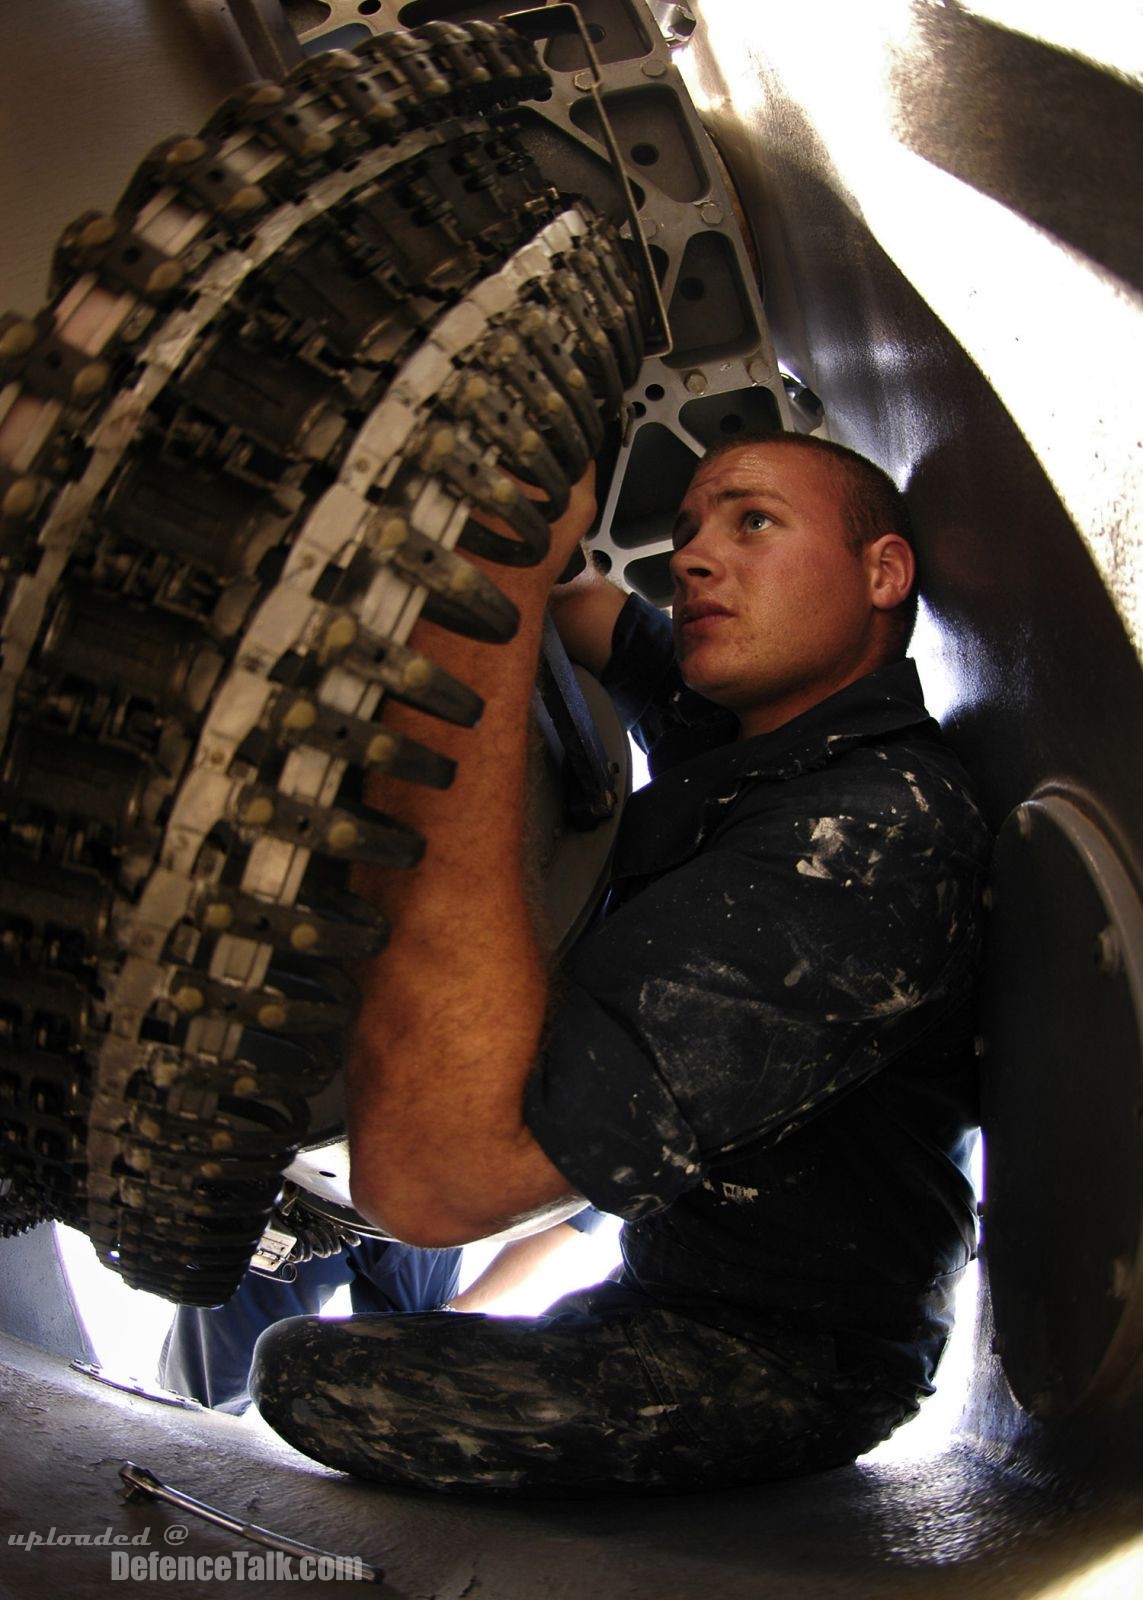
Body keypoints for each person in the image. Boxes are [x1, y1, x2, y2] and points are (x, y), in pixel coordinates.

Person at [249, 431, 991, 1495]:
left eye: (753, 522)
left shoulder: (873, 835)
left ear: (882, 574)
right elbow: (586, 608)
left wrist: (461, 634)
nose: (690, 558)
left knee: (316, 1375)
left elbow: (441, 1181)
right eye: (687, 532)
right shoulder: (756, 734)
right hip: (658, 1287)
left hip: (776, 1355)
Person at [160, 1211, 606, 1414]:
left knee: (408, 1393)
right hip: (306, 1197)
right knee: (215, 1386)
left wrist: (455, 1313)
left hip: (427, 1223)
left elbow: (579, 1212)